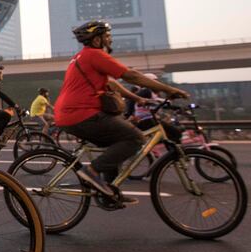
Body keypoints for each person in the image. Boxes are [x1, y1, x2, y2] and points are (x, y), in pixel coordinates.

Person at [54, 21, 190, 202]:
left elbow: (111, 83)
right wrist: (168, 89)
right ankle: (91, 171)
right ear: (96, 40)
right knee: (135, 138)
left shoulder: (82, 57)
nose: (110, 39)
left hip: (69, 113)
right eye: (107, 36)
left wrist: (137, 99)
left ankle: (109, 194)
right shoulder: (95, 54)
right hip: (82, 113)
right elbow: (131, 76)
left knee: (116, 142)